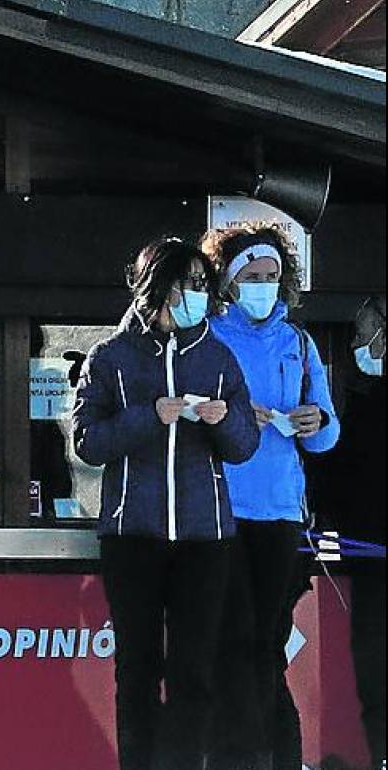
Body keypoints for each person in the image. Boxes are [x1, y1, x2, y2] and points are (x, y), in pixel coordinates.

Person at [72, 237, 260, 770]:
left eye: (202, 287)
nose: (196, 298)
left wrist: (226, 422)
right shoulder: (110, 358)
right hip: (134, 536)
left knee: (193, 671)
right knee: (136, 668)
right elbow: (88, 441)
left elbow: (245, 446)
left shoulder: (219, 358)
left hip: (205, 538)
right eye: (187, 287)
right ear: (158, 289)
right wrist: (150, 415)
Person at [202, 224, 341, 770]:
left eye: (272, 277)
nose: (263, 286)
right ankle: (241, 756)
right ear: (229, 283)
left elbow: (328, 436)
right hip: (222, 510)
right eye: (252, 277)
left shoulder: (299, 344)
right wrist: (233, 417)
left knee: (267, 645)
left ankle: (275, 756)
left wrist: (316, 420)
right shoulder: (209, 339)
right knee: (233, 642)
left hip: (283, 513)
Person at [314, 296, 385, 770]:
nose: (357, 347)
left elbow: (341, 482)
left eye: (361, 338)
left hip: (373, 556)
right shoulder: (362, 404)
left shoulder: (366, 409)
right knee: (376, 678)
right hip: (371, 560)